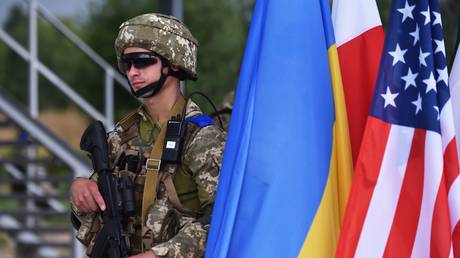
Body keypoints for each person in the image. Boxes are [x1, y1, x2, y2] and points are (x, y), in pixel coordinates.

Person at [69, 13, 226, 258]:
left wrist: (159, 255)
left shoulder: (202, 137)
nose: (132, 72)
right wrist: (80, 190)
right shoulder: (121, 137)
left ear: (173, 63)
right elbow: (91, 214)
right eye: (127, 64)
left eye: (142, 61)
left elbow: (221, 220)